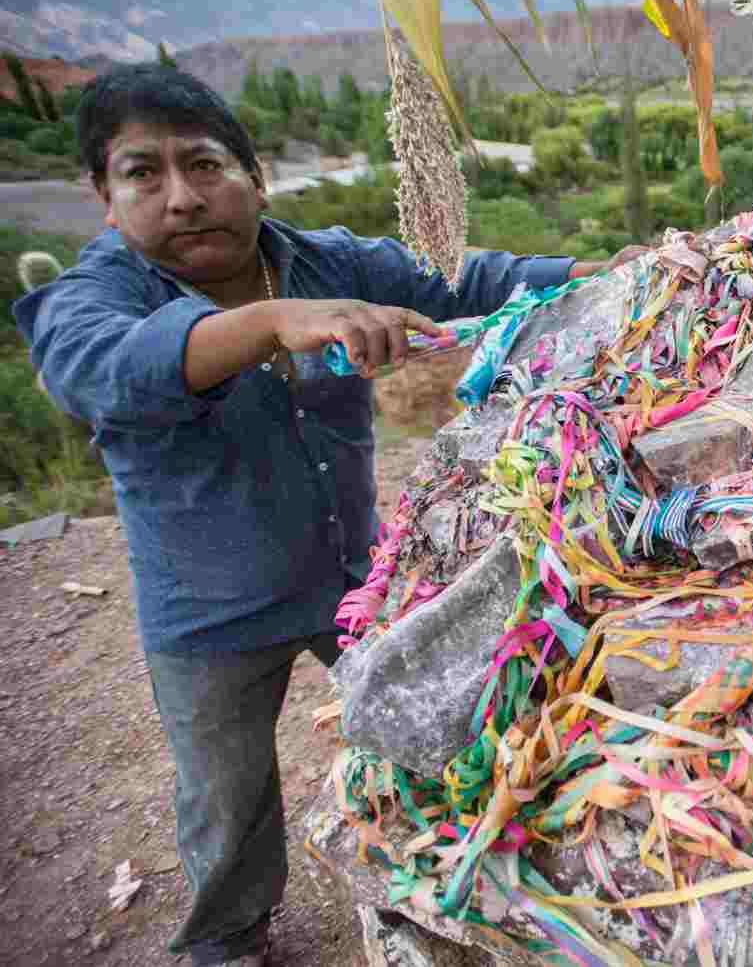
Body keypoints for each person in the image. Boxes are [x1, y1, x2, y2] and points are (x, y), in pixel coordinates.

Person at [11, 64, 638, 967]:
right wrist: (272, 322)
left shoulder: (323, 261)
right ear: (103, 199)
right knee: (227, 800)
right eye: (143, 174)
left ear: (254, 175)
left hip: (356, 576)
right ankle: (229, 943)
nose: (183, 197)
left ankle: (459, 879)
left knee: (450, 723)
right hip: (209, 615)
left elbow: (466, 278)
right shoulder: (92, 299)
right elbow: (101, 368)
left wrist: (605, 272)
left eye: (205, 164)